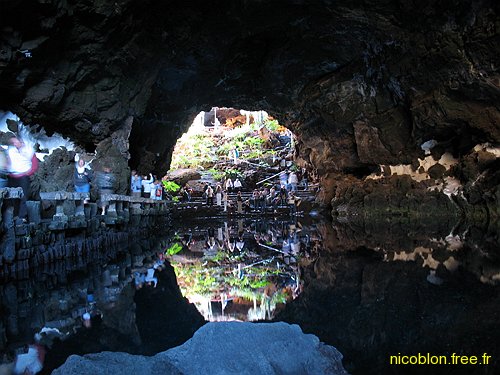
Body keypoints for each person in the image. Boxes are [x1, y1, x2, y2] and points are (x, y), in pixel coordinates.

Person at [7, 136, 37, 222]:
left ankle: (22, 217)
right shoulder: (11, 150)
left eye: (16, 142)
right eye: (13, 143)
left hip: (23, 177)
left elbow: (34, 164)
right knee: (12, 197)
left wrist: (27, 173)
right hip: (12, 177)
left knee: (23, 196)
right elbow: (8, 161)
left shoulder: (29, 150)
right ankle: (14, 216)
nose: (14, 144)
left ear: (21, 142)